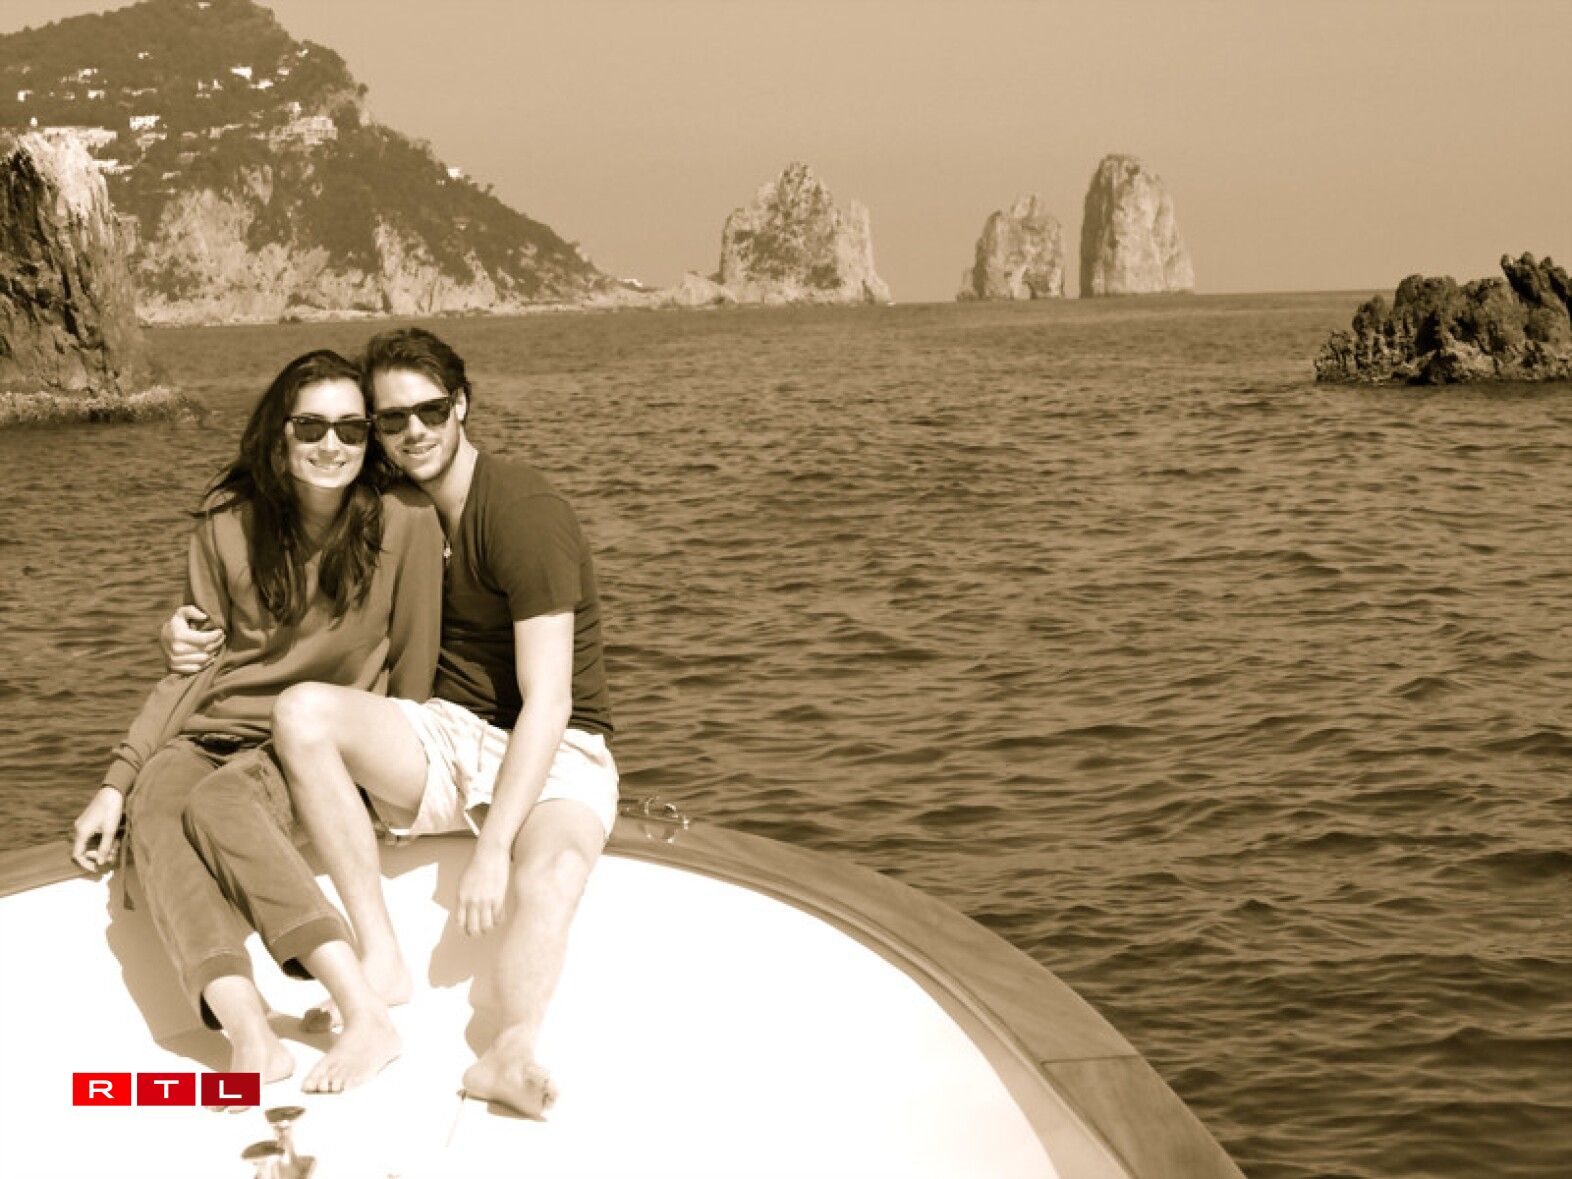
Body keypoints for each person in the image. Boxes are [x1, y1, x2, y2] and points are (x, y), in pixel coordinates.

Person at [163, 328, 617, 1119]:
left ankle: (511, 1046)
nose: (412, 431)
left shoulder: (522, 512)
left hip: (556, 749)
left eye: (430, 411)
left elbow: (550, 702)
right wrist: (179, 635)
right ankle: (380, 957)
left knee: (551, 877)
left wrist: (496, 847)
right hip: (442, 732)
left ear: (463, 405)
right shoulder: (399, 511)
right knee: (301, 711)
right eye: (391, 418)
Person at [72, 349, 445, 1096]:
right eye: (311, 427)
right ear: (279, 434)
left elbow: (412, 676)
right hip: (210, 730)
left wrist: (383, 786)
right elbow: (197, 669)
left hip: (309, 748)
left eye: (351, 429)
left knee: (219, 803)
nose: (332, 446)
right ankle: (248, 1030)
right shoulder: (225, 520)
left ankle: (364, 1010)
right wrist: (116, 783)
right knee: (158, 804)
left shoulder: (404, 522)